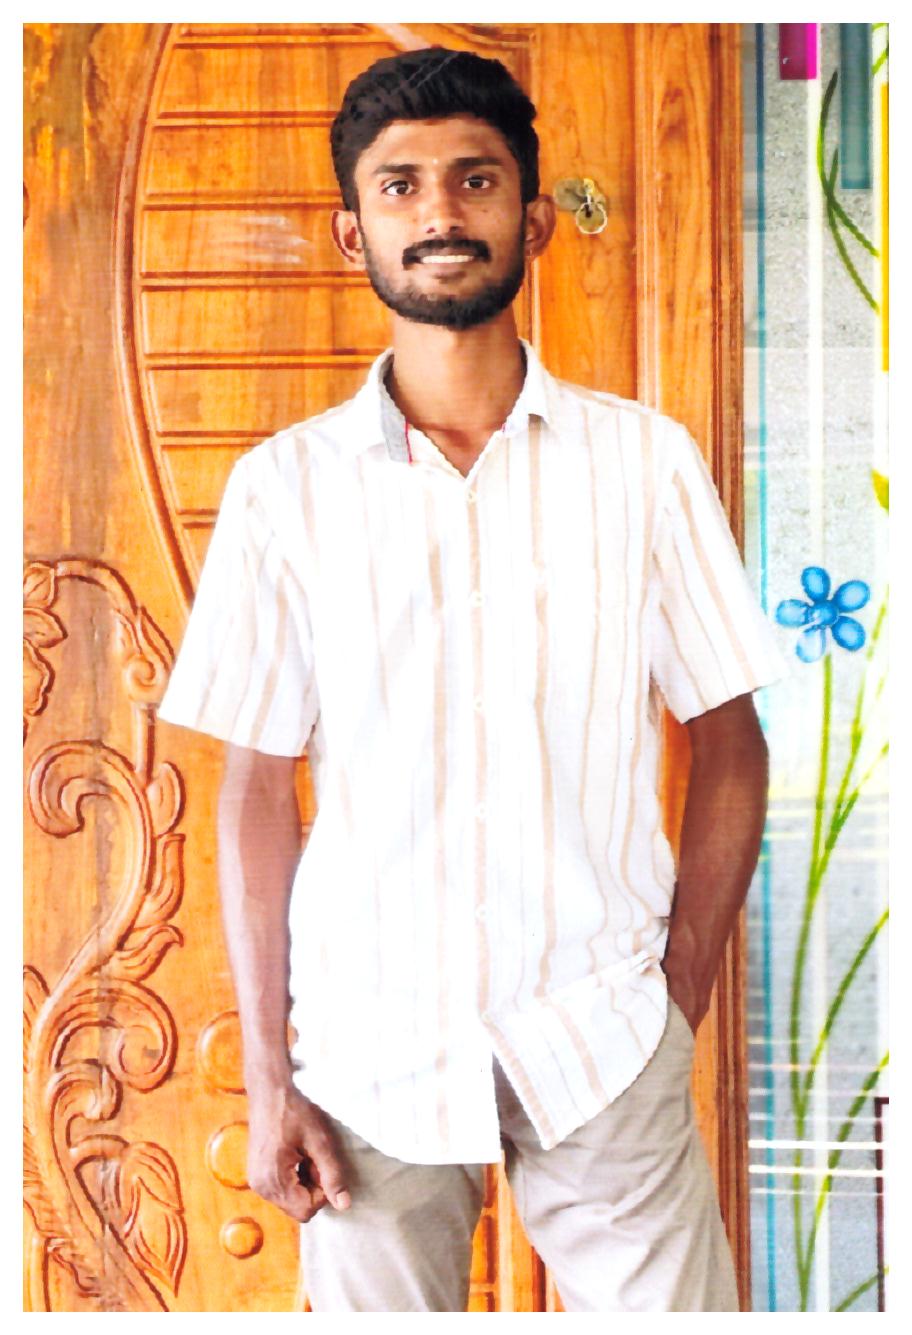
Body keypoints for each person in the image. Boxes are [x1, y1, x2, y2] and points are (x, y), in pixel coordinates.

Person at [157, 47, 787, 1313]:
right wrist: (273, 1079)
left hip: (603, 1037)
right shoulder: (286, 489)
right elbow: (256, 789)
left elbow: (732, 741)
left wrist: (676, 1003)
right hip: (368, 1058)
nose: (440, 212)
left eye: (476, 179)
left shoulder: (644, 466)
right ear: (354, 233)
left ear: (534, 219)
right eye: (400, 186)